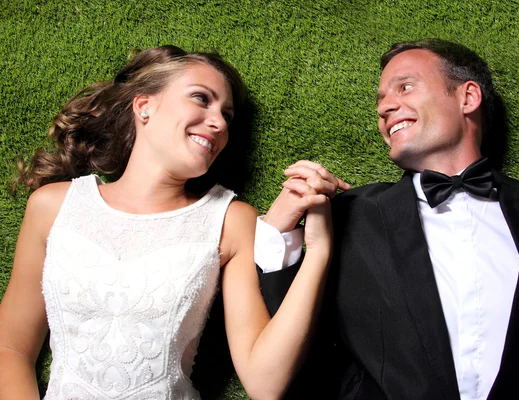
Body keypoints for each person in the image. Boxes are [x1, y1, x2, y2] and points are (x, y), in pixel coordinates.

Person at [256, 39, 519, 400]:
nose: (385, 107)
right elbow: (291, 355)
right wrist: (279, 227)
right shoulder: (347, 215)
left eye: (405, 87)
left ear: (468, 97)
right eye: (380, 102)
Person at [0, 45, 333, 400]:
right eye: (201, 99)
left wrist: (319, 251)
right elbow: (10, 347)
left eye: (227, 115)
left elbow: (265, 382)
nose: (219, 122)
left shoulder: (230, 220)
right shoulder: (53, 206)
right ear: (145, 106)